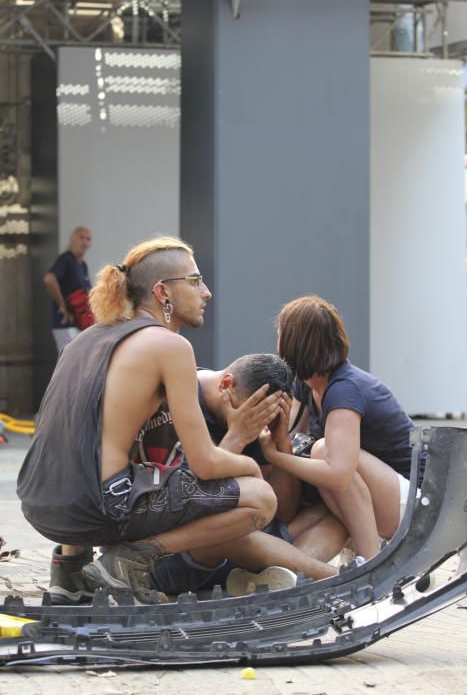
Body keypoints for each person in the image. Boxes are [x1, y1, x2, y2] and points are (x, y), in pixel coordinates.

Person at [18, 236, 281, 604]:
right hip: (99, 505)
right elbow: (205, 463)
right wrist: (251, 464)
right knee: (260, 498)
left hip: (39, 500)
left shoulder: (86, 339)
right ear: (163, 292)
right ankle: (125, 564)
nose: (206, 292)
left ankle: (69, 572)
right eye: (195, 280)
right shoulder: (170, 346)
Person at [141, 354, 347, 596]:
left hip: (247, 545)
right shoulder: (178, 398)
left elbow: (284, 512)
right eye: (255, 419)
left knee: (336, 512)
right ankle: (335, 579)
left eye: (264, 422)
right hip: (182, 554)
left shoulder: (253, 412)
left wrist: (281, 444)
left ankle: (273, 578)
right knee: (231, 529)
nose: (258, 427)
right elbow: (184, 503)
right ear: (226, 385)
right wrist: (236, 437)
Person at [259, 295, 421, 561]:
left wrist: (277, 457)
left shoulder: (345, 389)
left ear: (296, 341)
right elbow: (292, 442)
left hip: (412, 500)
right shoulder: (307, 384)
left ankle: (371, 561)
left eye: (280, 333)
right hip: (369, 495)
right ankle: (285, 569)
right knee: (318, 496)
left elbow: (339, 473)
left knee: (324, 453)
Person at [43, 226, 94, 353]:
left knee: (79, 362)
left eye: (88, 239)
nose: (84, 242)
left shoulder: (82, 265)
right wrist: (62, 306)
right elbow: (49, 279)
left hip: (78, 324)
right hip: (65, 325)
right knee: (70, 363)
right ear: (72, 239)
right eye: (81, 237)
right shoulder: (65, 259)